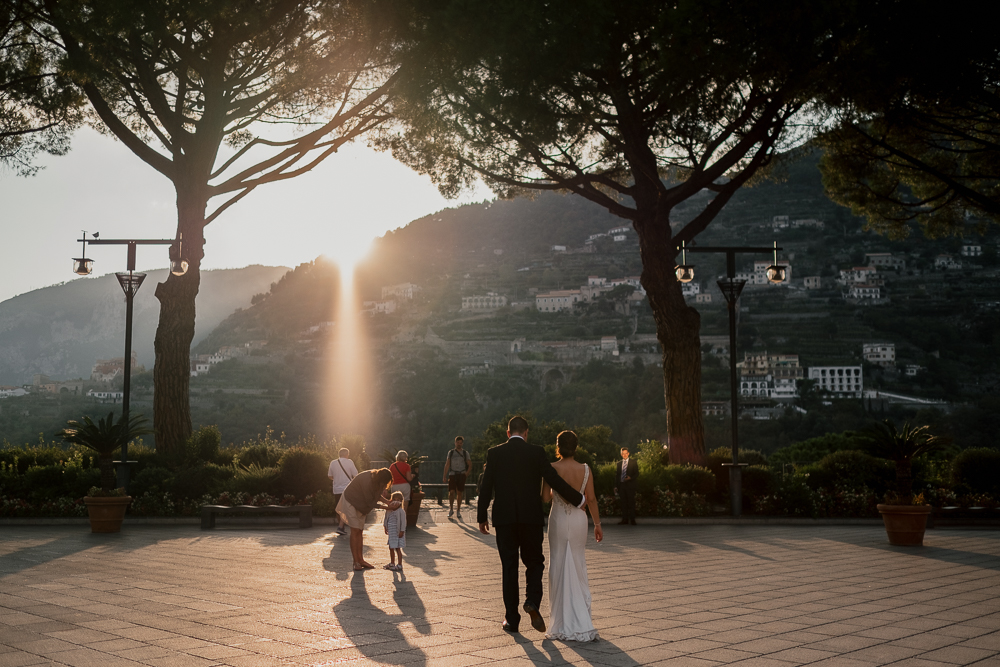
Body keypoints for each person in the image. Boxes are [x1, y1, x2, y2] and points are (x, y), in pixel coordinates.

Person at [478, 416, 585, 634]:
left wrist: (482, 517)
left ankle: (512, 620)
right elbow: (553, 479)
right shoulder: (536, 452)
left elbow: (486, 487)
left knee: (509, 567)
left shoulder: (495, 453)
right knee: (534, 562)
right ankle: (533, 601)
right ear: (526, 433)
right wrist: (578, 499)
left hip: (505, 519)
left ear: (508, 433)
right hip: (531, 519)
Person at [541, 431, 602, 642]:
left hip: (558, 518)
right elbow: (591, 499)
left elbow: (544, 497)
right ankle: (581, 616)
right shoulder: (585, 469)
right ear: (576, 447)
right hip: (579, 520)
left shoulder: (551, 468)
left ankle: (559, 619)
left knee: (557, 562)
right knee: (577, 562)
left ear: (558, 446)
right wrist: (598, 524)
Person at [336, 468, 400, 571]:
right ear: (381, 479)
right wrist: (387, 507)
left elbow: (376, 495)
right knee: (355, 530)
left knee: (360, 531)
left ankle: (361, 560)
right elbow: (371, 502)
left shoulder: (378, 480)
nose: (385, 485)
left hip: (361, 504)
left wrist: (387, 502)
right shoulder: (368, 481)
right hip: (350, 501)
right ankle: (355, 562)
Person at [328, 448, 358, 535]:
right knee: (346, 508)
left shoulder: (333, 463)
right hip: (347, 488)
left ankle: (341, 526)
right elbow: (356, 475)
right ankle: (340, 527)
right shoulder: (349, 462)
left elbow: (330, 476)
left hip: (336, 489)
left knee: (338, 508)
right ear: (347, 454)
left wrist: (337, 479)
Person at [443, 436, 472, 518]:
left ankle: (458, 510)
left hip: (461, 474)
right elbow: (447, 464)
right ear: (455, 443)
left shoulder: (465, 453)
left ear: (462, 443)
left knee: (459, 492)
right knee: (451, 492)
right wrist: (444, 475)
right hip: (452, 474)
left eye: (460, 443)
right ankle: (451, 509)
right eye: (458, 443)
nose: (459, 444)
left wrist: (466, 473)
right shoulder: (451, 452)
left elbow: (470, 464)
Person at [383, 491, 407, 571]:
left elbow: (403, 522)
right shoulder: (389, 510)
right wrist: (385, 527)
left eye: (398, 500)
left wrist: (402, 531)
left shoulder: (401, 512)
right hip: (391, 532)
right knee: (391, 547)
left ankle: (400, 564)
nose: (396, 501)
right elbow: (386, 519)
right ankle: (392, 563)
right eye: (394, 499)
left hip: (397, 532)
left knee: (397, 548)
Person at [615, 447, 639, 525]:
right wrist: (616, 486)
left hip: (630, 485)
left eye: (626, 453)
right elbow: (617, 475)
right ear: (621, 454)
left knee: (631, 502)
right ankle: (624, 520)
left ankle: (632, 520)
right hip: (622, 485)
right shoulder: (619, 463)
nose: (624, 455)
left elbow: (637, 473)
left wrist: (630, 478)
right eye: (623, 453)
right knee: (623, 503)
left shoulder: (633, 462)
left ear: (628, 453)